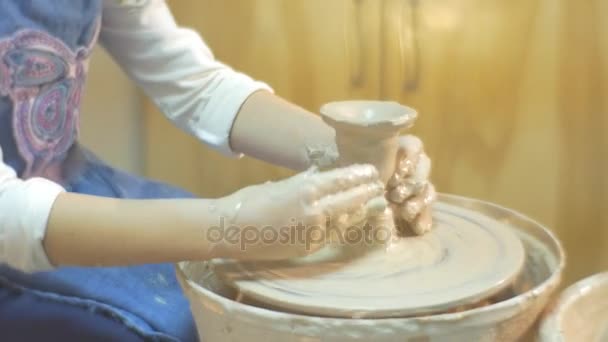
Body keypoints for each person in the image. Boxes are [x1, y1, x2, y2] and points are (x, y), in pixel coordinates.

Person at [0, 1, 435, 341]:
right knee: (195, 321)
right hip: (14, 236)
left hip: (67, 183)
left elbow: (196, 85)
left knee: (252, 296)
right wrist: (234, 226)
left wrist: (349, 151)